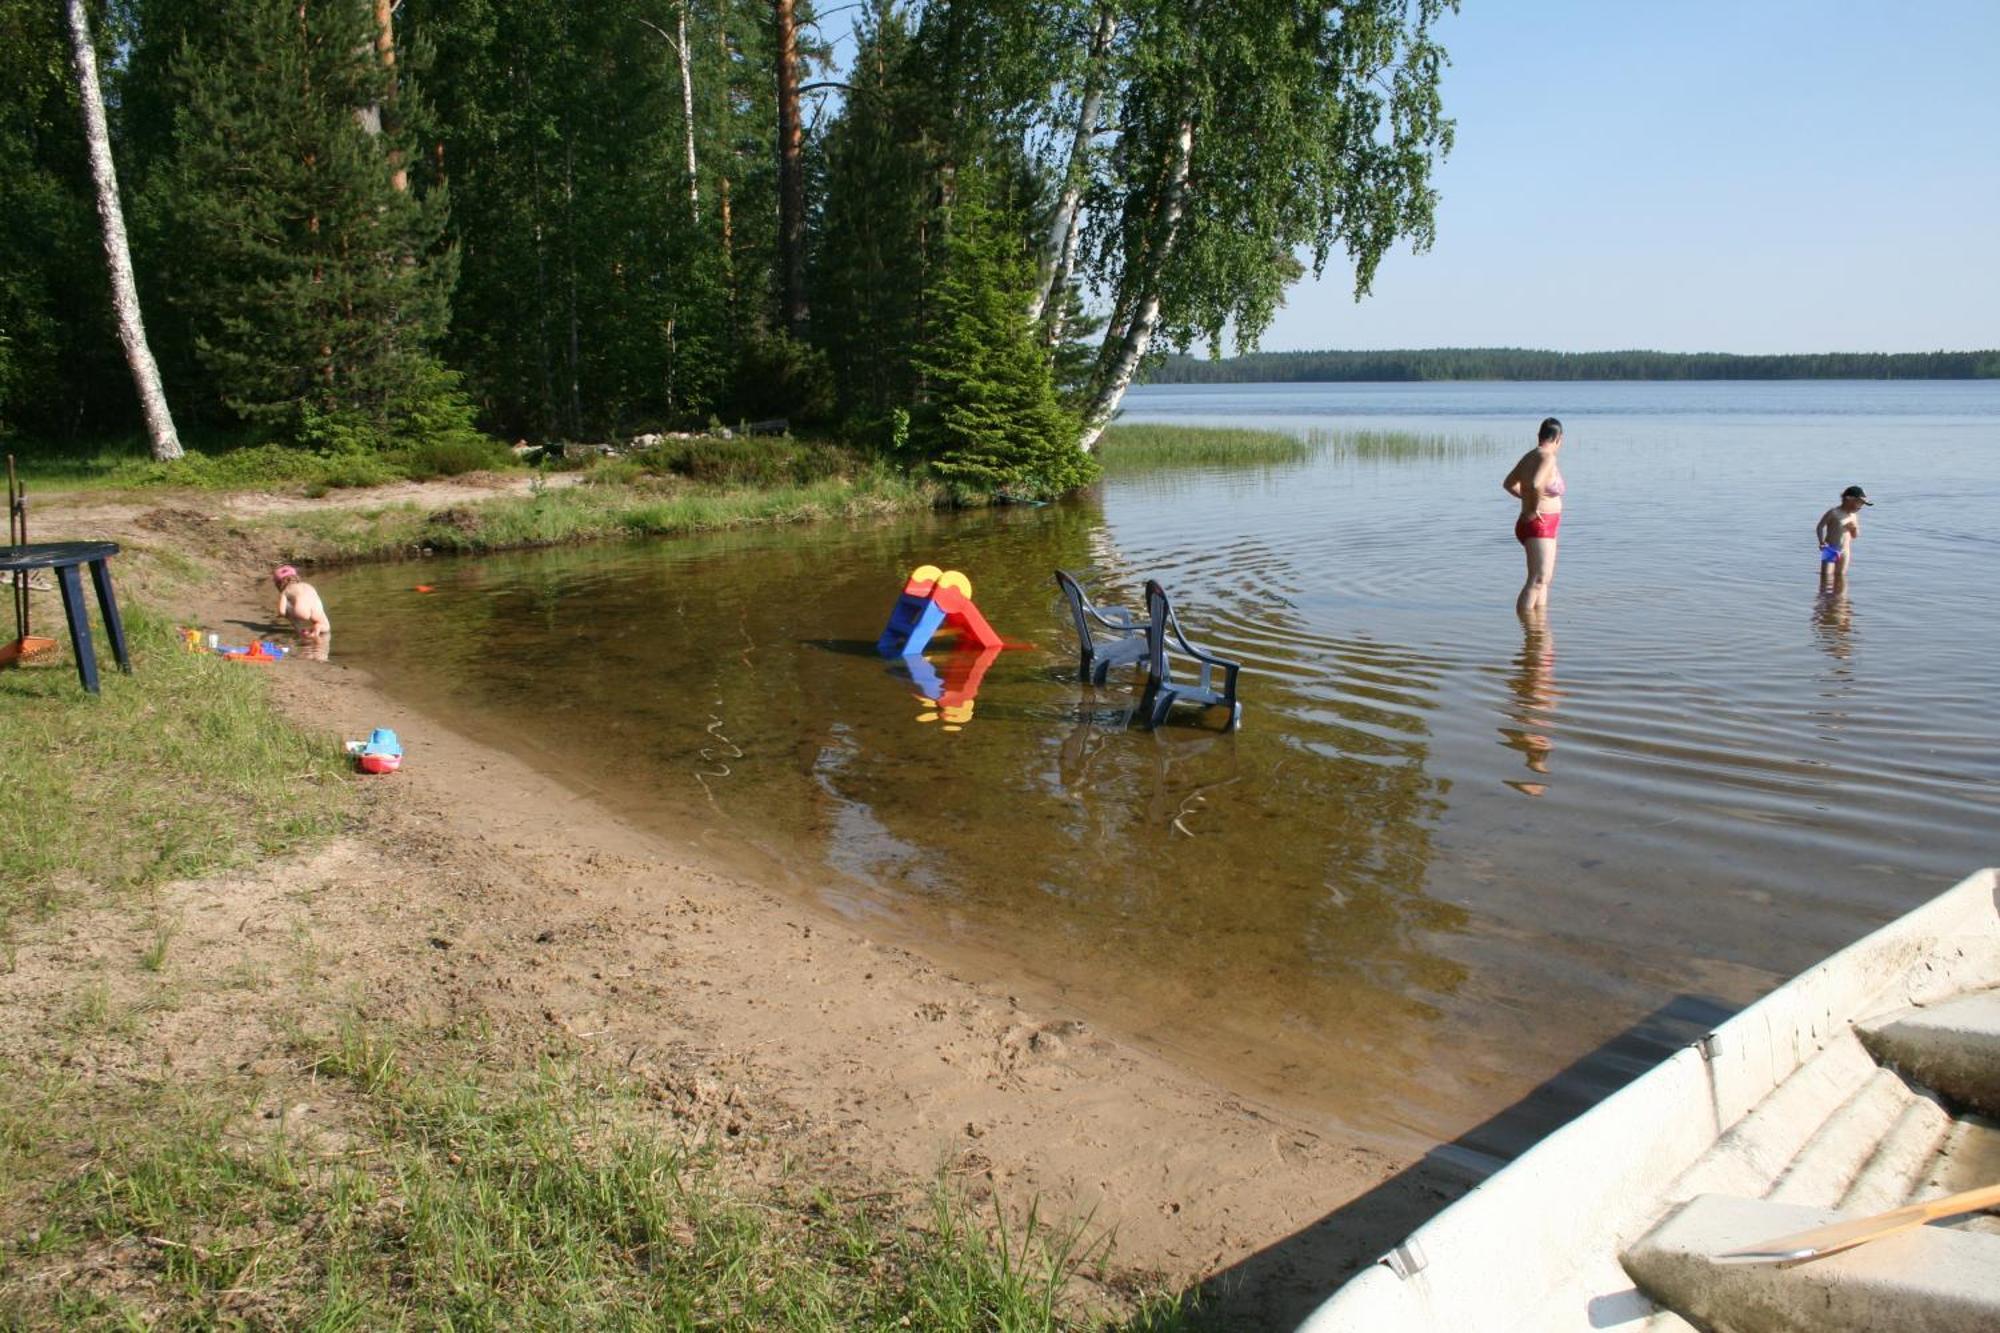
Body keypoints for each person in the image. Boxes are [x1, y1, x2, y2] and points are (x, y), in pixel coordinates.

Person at [1502, 417, 1566, 613]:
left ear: (1539, 436)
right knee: (1537, 579)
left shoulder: (1529, 456)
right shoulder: (1548, 457)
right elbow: (1536, 484)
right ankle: (1526, 626)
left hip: (1536, 523)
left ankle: (1538, 628)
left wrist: (1528, 502)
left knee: (1543, 580)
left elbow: (1509, 484)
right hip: (1540, 524)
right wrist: (1533, 505)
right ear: (1559, 438)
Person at [1815, 485, 1871, 593]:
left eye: (1862, 504)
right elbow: (1820, 526)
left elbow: (1855, 536)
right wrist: (1821, 542)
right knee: (1826, 578)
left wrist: (1853, 529)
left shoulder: (1853, 516)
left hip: (1845, 551)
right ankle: (1824, 603)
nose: (1860, 507)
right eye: (1859, 503)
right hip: (1830, 549)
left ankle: (1840, 603)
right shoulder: (1834, 512)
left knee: (1841, 579)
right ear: (1848, 499)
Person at [273, 564, 331, 643]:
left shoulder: (285, 591)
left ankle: (302, 632)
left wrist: (281, 615)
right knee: (326, 627)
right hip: (317, 608)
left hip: (301, 611)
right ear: (296, 577)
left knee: (287, 609)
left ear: (278, 584)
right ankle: (318, 627)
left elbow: (281, 611)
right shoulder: (308, 585)